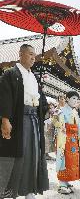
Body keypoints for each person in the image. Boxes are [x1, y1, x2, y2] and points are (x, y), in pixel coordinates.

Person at [0, 44, 49, 199]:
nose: (33, 57)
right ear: (20, 54)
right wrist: (5, 119)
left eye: (35, 55)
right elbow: (5, 97)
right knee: (15, 157)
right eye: (30, 54)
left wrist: (45, 109)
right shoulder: (10, 73)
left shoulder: (34, 76)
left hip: (33, 119)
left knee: (33, 155)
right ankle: (9, 193)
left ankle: (29, 190)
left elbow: (41, 101)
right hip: (19, 119)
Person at [53, 91, 80, 194]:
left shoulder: (75, 112)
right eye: (73, 99)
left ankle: (66, 182)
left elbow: (79, 126)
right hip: (65, 141)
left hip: (73, 141)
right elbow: (60, 125)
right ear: (67, 99)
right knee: (64, 161)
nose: (75, 101)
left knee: (71, 161)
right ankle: (62, 183)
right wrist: (76, 127)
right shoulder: (61, 112)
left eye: (77, 99)